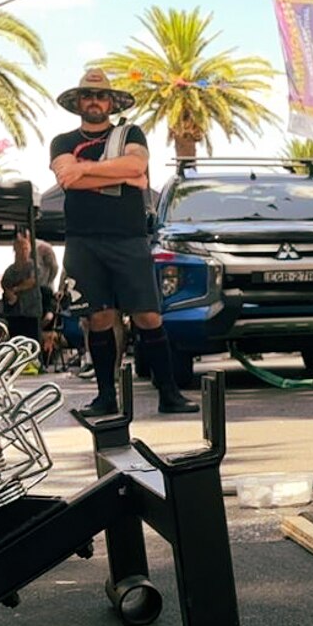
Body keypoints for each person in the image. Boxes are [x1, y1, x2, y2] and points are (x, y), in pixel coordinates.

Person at [48, 67, 197, 417]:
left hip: (128, 238)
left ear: (111, 102)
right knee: (98, 318)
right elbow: (68, 178)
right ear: (78, 102)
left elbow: (136, 167)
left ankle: (169, 394)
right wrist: (117, 175)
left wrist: (86, 169)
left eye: (101, 95)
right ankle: (105, 396)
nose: (94, 101)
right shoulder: (62, 142)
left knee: (148, 315)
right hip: (83, 240)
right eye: (88, 95)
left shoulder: (131, 133)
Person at [0, 232, 44, 357]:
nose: (23, 252)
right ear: (15, 250)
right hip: (14, 313)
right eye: (21, 249)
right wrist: (9, 293)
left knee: (33, 342)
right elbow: (4, 284)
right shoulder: (10, 270)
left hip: (31, 311)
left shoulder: (34, 267)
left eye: (26, 249)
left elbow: (33, 281)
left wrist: (16, 289)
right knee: (16, 343)